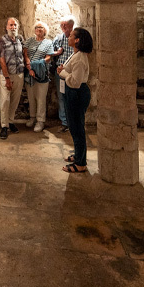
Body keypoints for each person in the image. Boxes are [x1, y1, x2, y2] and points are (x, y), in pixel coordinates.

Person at [57, 27, 93, 173]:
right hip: (72, 92)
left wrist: (63, 72)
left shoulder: (79, 58)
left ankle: (80, 163)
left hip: (76, 93)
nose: (69, 37)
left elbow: (75, 82)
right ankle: (79, 155)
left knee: (77, 128)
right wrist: (64, 70)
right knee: (74, 126)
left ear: (77, 40)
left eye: (71, 36)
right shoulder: (76, 54)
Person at [23, 21, 54, 132]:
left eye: (41, 27)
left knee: (41, 98)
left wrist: (36, 64)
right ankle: (32, 118)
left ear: (45, 30)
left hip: (41, 74)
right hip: (29, 73)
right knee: (31, 97)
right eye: (37, 27)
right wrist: (29, 67)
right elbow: (25, 53)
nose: (38, 29)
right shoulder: (30, 40)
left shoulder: (48, 43)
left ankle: (40, 121)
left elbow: (48, 57)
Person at [0, 17, 25, 140]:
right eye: (10, 25)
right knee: (5, 101)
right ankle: (4, 126)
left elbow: (24, 53)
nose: (13, 27)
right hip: (6, 74)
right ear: (6, 27)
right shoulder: (2, 40)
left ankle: (11, 121)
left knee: (15, 99)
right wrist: (7, 77)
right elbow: (2, 59)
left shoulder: (20, 39)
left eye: (15, 25)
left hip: (19, 73)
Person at [52, 16, 75, 132]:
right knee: (61, 96)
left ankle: (72, 121)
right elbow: (51, 52)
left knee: (72, 95)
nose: (63, 28)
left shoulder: (76, 38)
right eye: (62, 26)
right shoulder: (59, 38)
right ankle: (64, 122)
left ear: (71, 26)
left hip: (72, 72)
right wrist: (57, 52)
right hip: (60, 71)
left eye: (65, 25)